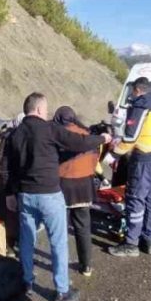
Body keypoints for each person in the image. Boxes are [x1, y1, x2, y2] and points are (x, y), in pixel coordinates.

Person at [3, 93, 109, 301]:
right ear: (41, 110)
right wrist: (102, 139)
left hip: (25, 195)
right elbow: (78, 142)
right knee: (58, 242)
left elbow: (6, 167)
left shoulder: (14, 134)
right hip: (49, 194)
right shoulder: (49, 129)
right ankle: (61, 290)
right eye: (47, 109)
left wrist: (9, 194)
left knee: (26, 240)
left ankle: (27, 282)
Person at [109, 77, 151, 258]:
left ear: (137, 90)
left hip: (144, 157)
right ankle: (149, 240)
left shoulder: (140, 105)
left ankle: (131, 243)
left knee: (136, 199)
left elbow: (130, 137)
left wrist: (115, 153)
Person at [53, 106, 100, 277]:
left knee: (61, 228)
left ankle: (61, 265)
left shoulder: (57, 134)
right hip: (84, 186)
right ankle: (86, 266)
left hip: (62, 185)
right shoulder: (86, 133)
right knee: (83, 227)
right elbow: (95, 158)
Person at [0, 113, 26, 250]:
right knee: (4, 215)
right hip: (5, 183)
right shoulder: (9, 137)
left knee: (10, 215)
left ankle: (8, 242)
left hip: (9, 182)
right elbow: (2, 161)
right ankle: (2, 244)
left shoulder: (14, 137)